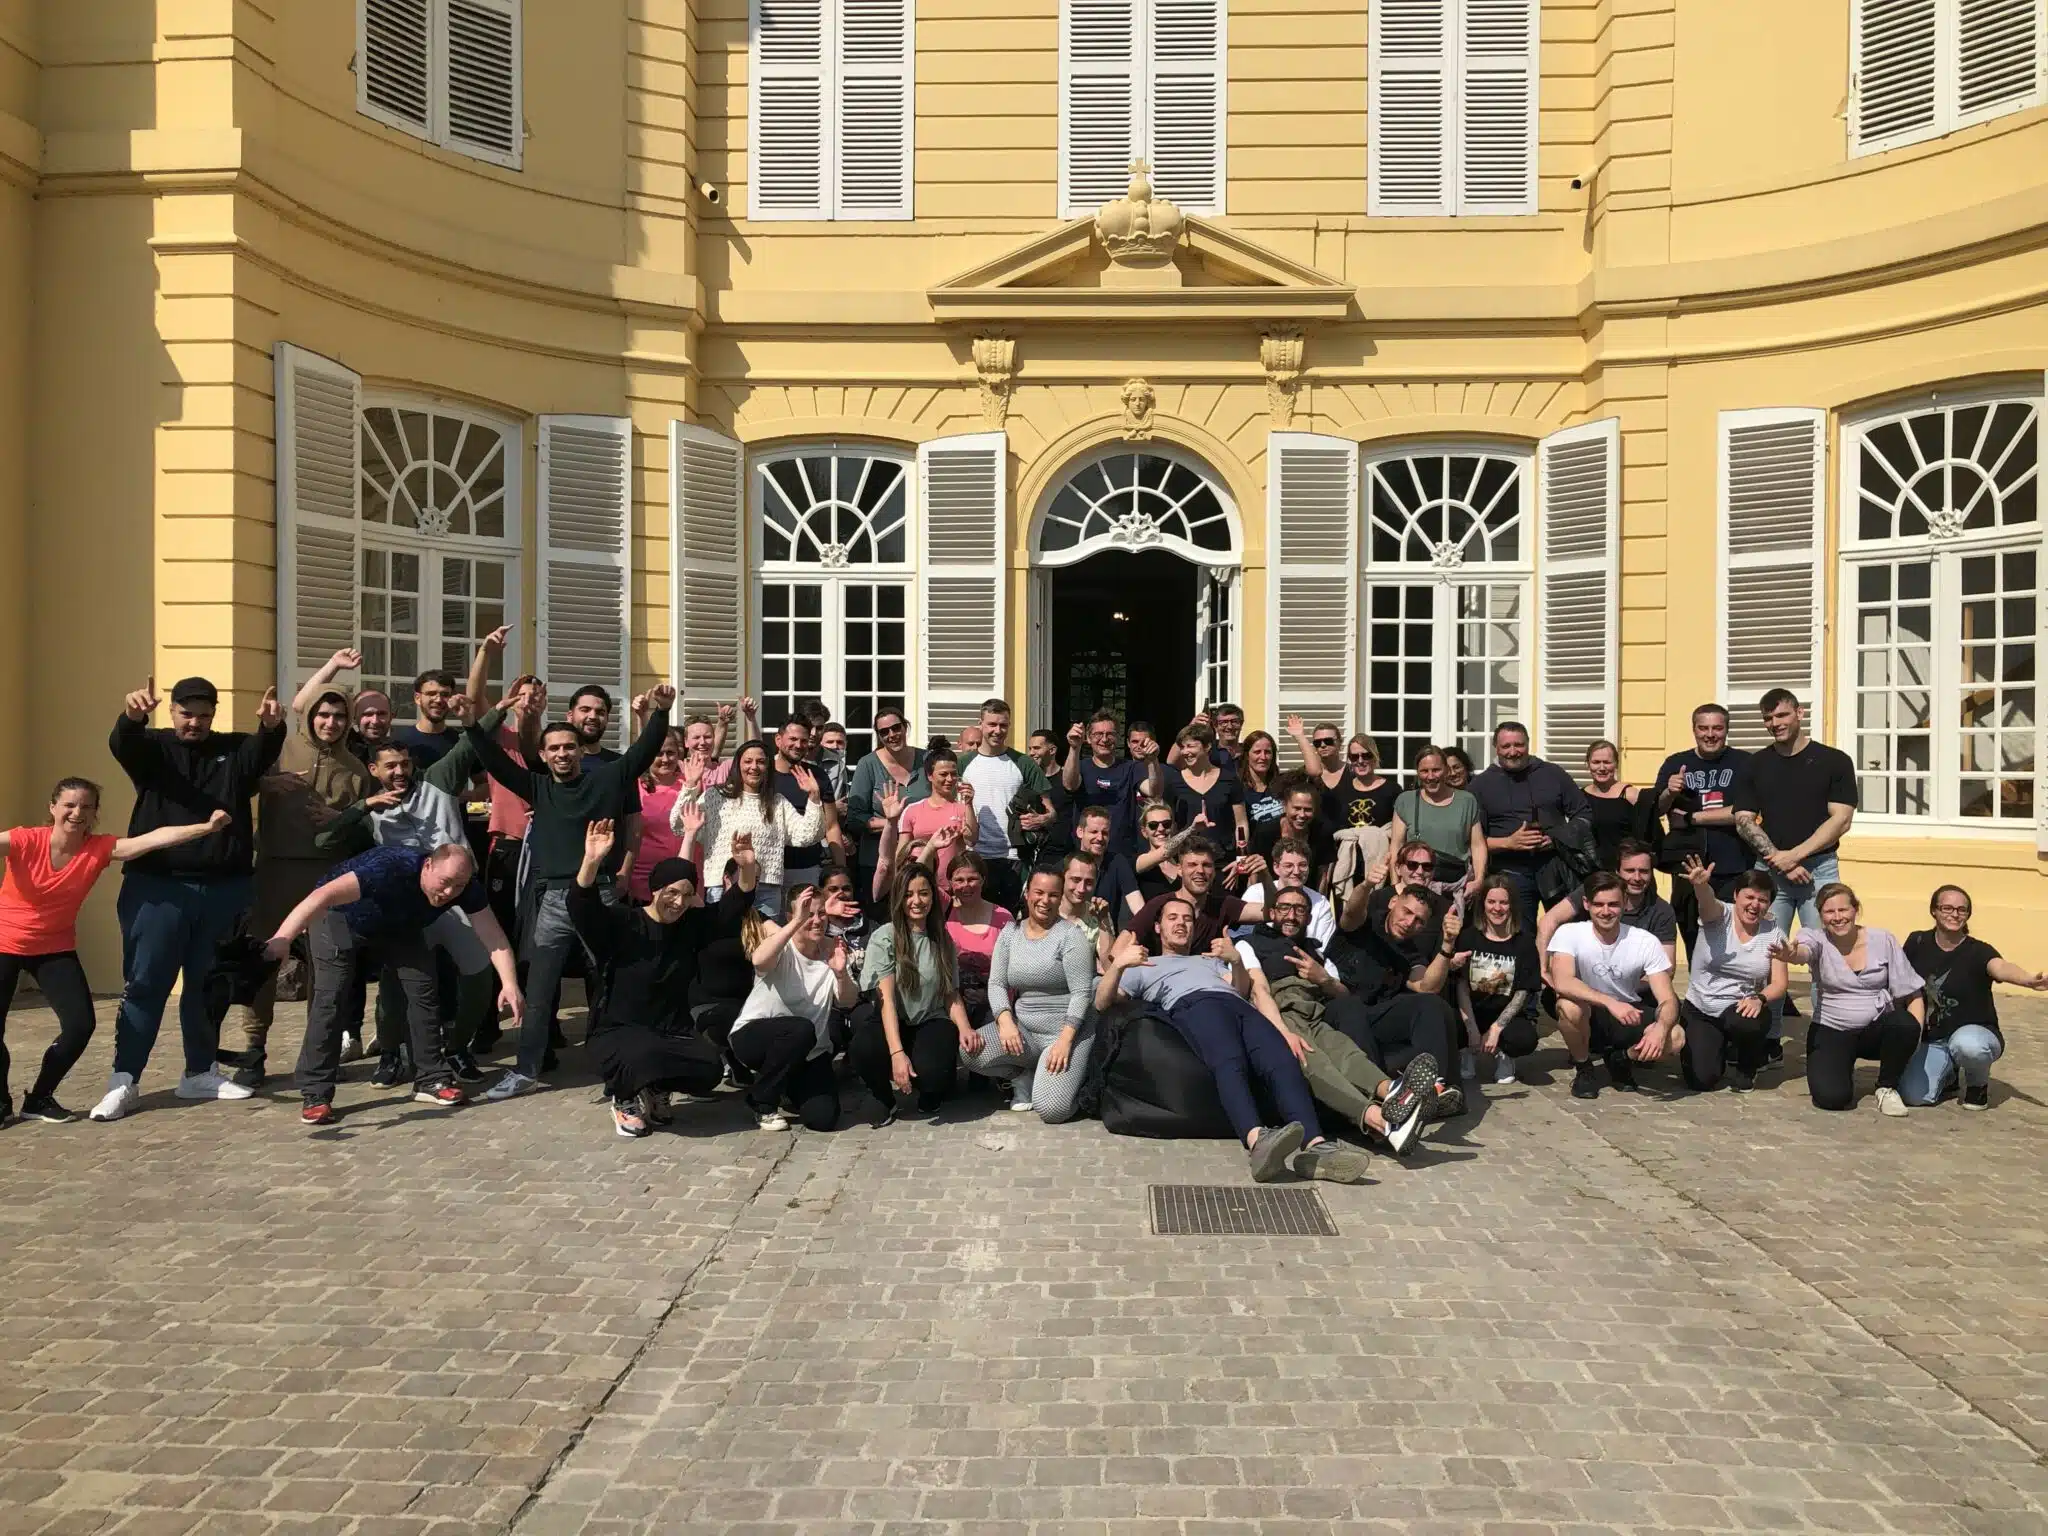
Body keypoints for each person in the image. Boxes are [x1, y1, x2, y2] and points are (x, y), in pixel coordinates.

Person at [465, 686, 674, 1099]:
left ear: (580, 750)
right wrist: (471, 724)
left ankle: (620, 1067)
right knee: (540, 990)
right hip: (554, 902)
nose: (563, 754)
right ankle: (526, 1070)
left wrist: (662, 712)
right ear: (544, 756)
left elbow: (642, 753)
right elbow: (493, 761)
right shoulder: (537, 787)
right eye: (555, 748)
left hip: (600, 897)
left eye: (569, 747)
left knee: (611, 984)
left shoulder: (607, 778)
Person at [93, 674, 286, 1122]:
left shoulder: (234, 750)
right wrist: (132, 718)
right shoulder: (154, 748)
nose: (194, 722)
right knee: (146, 984)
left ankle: (199, 1072)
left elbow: (262, 752)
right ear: (172, 711)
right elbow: (124, 744)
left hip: (223, 889)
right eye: (186, 714)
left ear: (214, 714)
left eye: (203, 715)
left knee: (207, 985)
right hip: (158, 887)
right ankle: (124, 1080)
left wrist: (271, 727)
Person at [315, 683, 528, 1088]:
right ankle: (391, 1052)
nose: (399, 772)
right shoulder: (371, 811)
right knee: (394, 984)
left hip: (456, 898)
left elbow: (467, 745)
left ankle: (457, 1047)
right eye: (389, 767)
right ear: (374, 771)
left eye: (403, 765)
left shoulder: (438, 781)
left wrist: (499, 708)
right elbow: (324, 840)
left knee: (479, 974)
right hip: (406, 908)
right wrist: (362, 807)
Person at [0, 785, 228, 1124]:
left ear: (95, 812)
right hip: (4, 944)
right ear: (53, 807)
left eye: (86, 807)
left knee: (80, 1026)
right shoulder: (25, 840)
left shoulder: (99, 848)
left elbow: (155, 839)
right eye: (69, 805)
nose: (77, 813)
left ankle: (39, 1098)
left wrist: (207, 828)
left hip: (54, 948)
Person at [1097, 902, 1360, 1184]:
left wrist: (1236, 961)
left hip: (1238, 1006)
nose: (1181, 923)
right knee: (1229, 1059)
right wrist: (1119, 964)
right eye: (1172, 918)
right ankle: (1257, 1140)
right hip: (1196, 1003)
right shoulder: (1144, 965)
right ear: (1158, 928)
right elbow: (1101, 1002)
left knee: (1282, 1060)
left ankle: (1315, 1146)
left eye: (1187, 919)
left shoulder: (1209, 959)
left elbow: (1241, 990)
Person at [262, 842, 522, 1124]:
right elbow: (321, 896)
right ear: (428, 866)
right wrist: (283, 938)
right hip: (339, 917)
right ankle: (316, 1092)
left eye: (458, 886)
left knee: (423, 991)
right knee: (331, 1001)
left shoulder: (466, 887)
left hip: (400, 925)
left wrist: (509, 984)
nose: (450, 893)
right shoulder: (391, 868)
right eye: (445, 882)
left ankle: (431, 1079)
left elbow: (493, 936)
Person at [234, 649, 373, 1087]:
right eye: (323, 714)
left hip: (324, 877)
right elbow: (240, 779)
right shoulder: (281, 749)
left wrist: (340, 819)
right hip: (274, 870)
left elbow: (360, 827)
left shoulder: (356, 769)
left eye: (339, 716)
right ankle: (252, 1051)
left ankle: (319, 1054)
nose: (330, 722)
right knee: (262, 961)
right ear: (311, 716)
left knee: (325, 969)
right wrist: (265, 781)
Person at [566, 819, 756, 1137]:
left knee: (708, 1067)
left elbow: (732, 907)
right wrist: (592, 860)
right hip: (618, 1031)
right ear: (655, 890)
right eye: (671, 893)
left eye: (687, 894)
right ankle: (625, 1098)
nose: (678, 902)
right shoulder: (624, 922)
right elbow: (581, 906)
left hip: (670, 1030)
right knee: (641, 1055)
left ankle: (656, 1090)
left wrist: (747, 867)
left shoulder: (691, 926)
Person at [1236, 887, 1440, 1157]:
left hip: (1315, 1008)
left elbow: (1343, 993)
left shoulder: (1316, 950)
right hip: (1282, 1010)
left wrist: (1322, 977)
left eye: (1299, 910)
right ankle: (1381, 1122)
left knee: (1347, 1053)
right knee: (1316, 1065)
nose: (1291, 915)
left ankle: (1395, 1092)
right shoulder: (1249, 944)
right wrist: (1283, 1031)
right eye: (1284, 908)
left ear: (1309, 918)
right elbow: (1258, 990)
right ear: (1272, 913)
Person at [959, 865, 1096, 1120]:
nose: (1045, 900)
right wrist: (1005, 1021)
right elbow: (997, 983)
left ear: (1061, 898)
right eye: (1039, 893)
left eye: (1053, 895)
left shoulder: (1070, 935)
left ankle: (1079, 1078)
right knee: (970, 1052)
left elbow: (1082, 993)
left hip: (1066, 1033)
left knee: (1052, 1111)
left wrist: (1065, 1041)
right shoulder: (1010, 933)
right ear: (1027, 893)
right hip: (1025, 1031)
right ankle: (1024, 1075)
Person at [1773, 884, 1922, 1116]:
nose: (1837, 917)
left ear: (1855, 910)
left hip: (1876, 1029)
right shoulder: (1815, 938)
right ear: (1821, 916)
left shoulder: (1883, 939)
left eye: (1843, 910)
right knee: (1832, 1098)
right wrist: (1791, 954)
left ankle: (1887, 1086)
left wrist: (1914, 1039)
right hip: (1832, 1029)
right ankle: (1841, 1066)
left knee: (1905, 1023)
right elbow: (1803, 951)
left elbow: (1911, 991)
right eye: (1829, 912)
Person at [1899, 885, 2048, 1109]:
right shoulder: (1917, 942)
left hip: (1974, 1033)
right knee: (1914, 1096)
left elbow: (2001, 967)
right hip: (1933, 1039)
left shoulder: (1978, 951)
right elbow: (1899, 975)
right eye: (1947, 908)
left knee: (1969, 1046)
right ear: (1934, 911)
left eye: (1962, 909)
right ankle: (1948, 1074)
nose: (1955, 914)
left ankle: (1977, 1085)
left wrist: (2028, 980)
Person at [1325, 884, 1464, 1118]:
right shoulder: (1364, 923)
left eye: (1419, 921)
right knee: (1351, 1007)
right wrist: (1366, 884)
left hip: (1374, 1018)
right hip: (1335, 1010)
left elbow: (1427, 986)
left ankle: (1433, 1089)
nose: (1409, 923)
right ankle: (1379, 1097)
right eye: (1406, 912)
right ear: (1393, 902)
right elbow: (1350, 912)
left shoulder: (1410, 951)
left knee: (1431, 1003)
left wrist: (1447, 946)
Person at [849, 865, 974, 1123]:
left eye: (923, 893)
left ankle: (929, 1090)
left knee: (935, 1072)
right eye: (908, 894)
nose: (916, 901)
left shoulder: (942, 938)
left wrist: (965, 1028)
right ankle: (884, 1097)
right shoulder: (884, 937)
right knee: (863, 1048)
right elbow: (886, 1000)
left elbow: (950, 993)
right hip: (893, 1018)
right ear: (898, 898)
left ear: (933, 897)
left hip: (930, 1018)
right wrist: (897, 1053)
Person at [729, 884, 856, 1131]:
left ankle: (786, 1085)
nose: (816, 921)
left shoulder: (833, 949)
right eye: (808, 914)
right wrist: (797, 922)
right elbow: (759, 960)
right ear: (791, 916)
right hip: (755, 1037)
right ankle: (762, 1102)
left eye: (821, 913)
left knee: (823, 1119)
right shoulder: (782, 945)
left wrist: (840, 974)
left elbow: (847, 1002)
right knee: (801, 1029)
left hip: (810, 1051)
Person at [1734, 689, 1857, 943]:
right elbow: (1743, 821)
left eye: (1782, 715)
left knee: (1826, 949)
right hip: (1770, 870)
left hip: (1820, 870)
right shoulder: (1755, 764)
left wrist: (1793, 857)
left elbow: (1842, 820)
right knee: (1764, 949)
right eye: (1768, 718)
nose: (1775, 723)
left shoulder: (1835, 761)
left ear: (1800, 713)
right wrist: (1780, 861)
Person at [1547, 871, 1680, 1101]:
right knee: (1568, 1007)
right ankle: (1584, 1067)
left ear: (1625, 903)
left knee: (1676, 1036)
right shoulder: (1569, 933)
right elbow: (1563, 981)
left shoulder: (1645, 941)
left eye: (1613, 904)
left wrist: (1661, 1027)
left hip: (1627, 1016)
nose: (1606, 911)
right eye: (1598, 904)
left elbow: (1668, 999)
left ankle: (1623, 1059)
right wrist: (1610, 1002)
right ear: (1586, 904)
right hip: (1589, 1015)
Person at [676, 740, 824, 916]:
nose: (754, 767)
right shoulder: (715, 796)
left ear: (768, 767)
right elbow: (678, 825)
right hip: (723, 885)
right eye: (748, 761)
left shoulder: (777, 802)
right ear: (737, 765)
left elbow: (808, 835)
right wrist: (690, 785)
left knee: (765, 935)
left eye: (760, 762)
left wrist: (814, 797)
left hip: (766, 889)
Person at [1674, 859, 1785, 1093]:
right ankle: (1718, 1046)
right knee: (1702, 1080)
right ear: (1736, 896)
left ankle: (1747, 1066)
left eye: (1763, 900)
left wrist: (1760, 999)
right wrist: (1701, 886)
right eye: (1749, 897)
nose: (1755, 905)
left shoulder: (1774, 933)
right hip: (1702, 1008)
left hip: (1740, 1008)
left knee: (1751, 1021)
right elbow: (1707, 902)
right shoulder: (1719, 915)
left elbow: (1779, 983)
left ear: (1769, 904)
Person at [1654, 703, 1752, 962]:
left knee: (1734, 936)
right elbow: (1657, 809)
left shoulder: (1745, 762)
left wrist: (1691, 817)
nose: (1710, 734)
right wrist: (1669, 792)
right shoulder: (1676, 763)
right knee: (1692, 935)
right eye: (1703, 728)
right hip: (1687, 865)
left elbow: (1744, 812)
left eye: (1717, 728)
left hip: (1733, 865)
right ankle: (1698, 985)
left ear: (1727, 730)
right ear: (1694, 730)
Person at [1470, 721, 1589, 926]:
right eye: (1506, 746)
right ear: (1496, 748)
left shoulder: (1553, 774)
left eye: (1519, 745)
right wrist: (1508, 842)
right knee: (1519, 933)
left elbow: (1584, 814)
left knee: (1569, 930)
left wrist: (1557, 837)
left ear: (1528, 743)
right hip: (1509, 873)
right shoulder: (1480, 785)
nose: (1513, 751)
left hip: (1556, 867)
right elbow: (1472, 841)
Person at [1534, 840, 1677, 988]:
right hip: (1583, 988)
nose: (1637, 878)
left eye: (1644, 871)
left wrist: (1617, 991)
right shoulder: (1596, 891)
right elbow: (1549, 920)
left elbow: (1667, 970)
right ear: (1617, 871)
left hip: (1635, 992)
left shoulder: (1661, 911)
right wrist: (1543, 969)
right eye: (1630, 870)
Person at [959, 699, 1058, 911]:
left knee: (1010, 919)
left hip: (1014, 857)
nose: (998, 731)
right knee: (976, 919)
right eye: (992, 724)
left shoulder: (1024, 763)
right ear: (980, 724)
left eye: (1003, 725)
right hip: (975, 856)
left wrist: (1041, 819)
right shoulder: (963, 764)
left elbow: (1051, 812)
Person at [1452, 876, 1541, 1087]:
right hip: (1472, 1010)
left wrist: (1497, 1028)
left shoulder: (1524, 943)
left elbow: (1522, 991)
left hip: (1505, 1013)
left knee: (1525, 1038)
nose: (1497, 908)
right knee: (1446, 1023)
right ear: (1483, 904)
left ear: (1512, 906)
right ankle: (1466, 1052)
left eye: (1503, 902)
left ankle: (1505, 1055)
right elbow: (1461, 985)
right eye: (1491, 902)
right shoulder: (1468, 937)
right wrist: (1471, 1027)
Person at [1128, 839, 1266, 956]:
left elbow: (1271, 912)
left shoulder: (1223, 905)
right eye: (1192, 865)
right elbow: (1121, 945)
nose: (1200, 871)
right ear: (1179, 870)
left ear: (1214, 871)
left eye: (1206, 865)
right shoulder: (1160, 905)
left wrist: (1265, 876)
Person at [847, 706, 927, 906]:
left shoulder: (927, 760)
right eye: (884, 732)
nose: (892, 735)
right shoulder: (868, 764)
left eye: (896, 728)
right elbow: (855, 818)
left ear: (905, 727)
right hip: (878, 862)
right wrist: (897, 823)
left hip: (922, 859)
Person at [1389, 745, 1486, 895]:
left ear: (1446, 770)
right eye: (1424, 771)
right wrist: (1395, 885)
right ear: (1417, 773)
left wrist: (1478, 880)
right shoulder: (1406, 801)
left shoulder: (1466, 801)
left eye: (1436, 770)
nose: (1430, 776)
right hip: (1415, 882)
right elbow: (1396, 845)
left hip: (1455, 884)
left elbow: (1477, 845)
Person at [942, 849, 1013, 1024]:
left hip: (993, 1004)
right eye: (959, 880)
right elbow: (912, 879)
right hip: (949, 1002)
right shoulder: (943, 912)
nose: (966, 885)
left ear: (983, 880)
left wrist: (988, 996)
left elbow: (1013, 971)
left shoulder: (1003, 918)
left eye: (972, 879)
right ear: (950, 882)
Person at [897, 743, 975, 889]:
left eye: (953, 774)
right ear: (930, 776)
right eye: (943, 774)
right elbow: (901, 855)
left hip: (953, 888)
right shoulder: (912, 810)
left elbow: (971, 840)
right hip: (920, 885)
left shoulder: (963, 809)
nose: (950, 779)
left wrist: (969, 804)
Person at [1235, 838, 1335, 948]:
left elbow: (1325, 948)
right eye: (1289, 866)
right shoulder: (1255, 893)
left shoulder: (1320, 903)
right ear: (1276, 867)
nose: (1296, 871)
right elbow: (1242, 939)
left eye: (1302, 865)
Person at [1161, 726, 1247, 850]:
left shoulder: (1229, 779)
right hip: (1187, 856)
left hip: (1225, 857)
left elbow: (1241, 823)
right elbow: (1169, 826)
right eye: (1182, 747)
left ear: (1207, 747)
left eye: (1190, 746)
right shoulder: (1173, 782)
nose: (1185, 752)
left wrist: (1242, 853)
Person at [1581, 740, 1646, 871]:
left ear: (1616, 763)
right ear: (1587, 764)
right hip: (1590, 872)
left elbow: (1645, 838)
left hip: (1624, 871)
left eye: (1607, 762)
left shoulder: (1630, 795)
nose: (1602, 768)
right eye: (1596, 762)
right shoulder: (1580, 797)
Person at [394, 669, 462, 773]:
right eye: (431, 693)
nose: (438, 700)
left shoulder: (460, 742)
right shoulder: (399, 741)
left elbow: (481, 780)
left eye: (445, 694)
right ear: (417, 698)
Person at [1058, 849, 1115, 970]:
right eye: (1076, 880)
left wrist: (1103, 920)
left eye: (1089, 882)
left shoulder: (1098, 914)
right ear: (1063, 878)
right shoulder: (1048, 909)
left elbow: (1109, 967)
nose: (1081, 889)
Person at [1237, 731, 1285, 851]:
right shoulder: (1238, 789)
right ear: (1247, 755)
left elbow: (1314, 771)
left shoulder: (1283, 784)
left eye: (1267, 752)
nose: (1263, 757)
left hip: (1283, 856)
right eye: (1257, 752)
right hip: (1256, 857)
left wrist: (1299, 736)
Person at [1283, 715, 1348, 797]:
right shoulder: (1304, 776)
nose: (1323, 745)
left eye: (1328, 741)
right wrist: (1299, 736)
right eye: (1317, 743)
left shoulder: (1353, 772)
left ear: (1340, 742)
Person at [348, 689, 396, 762]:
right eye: (368, 714)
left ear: (391, 717)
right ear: (354, 717)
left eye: (381, 714)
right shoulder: (342, 749)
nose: (375, 721)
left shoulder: (402, 752)